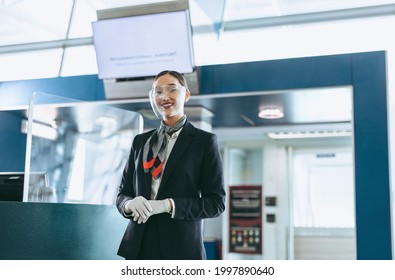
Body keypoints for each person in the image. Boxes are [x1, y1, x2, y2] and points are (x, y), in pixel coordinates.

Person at [116, 70, 226, 260]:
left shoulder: (203, 142)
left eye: (172, 90)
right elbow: (122, 193)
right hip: (139, 248)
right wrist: (128, 204)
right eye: (158, 92)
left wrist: (168, 205)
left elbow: (215, 203)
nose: (165, 97)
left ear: (187, 95)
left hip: (181, 250)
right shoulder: (140, 142)